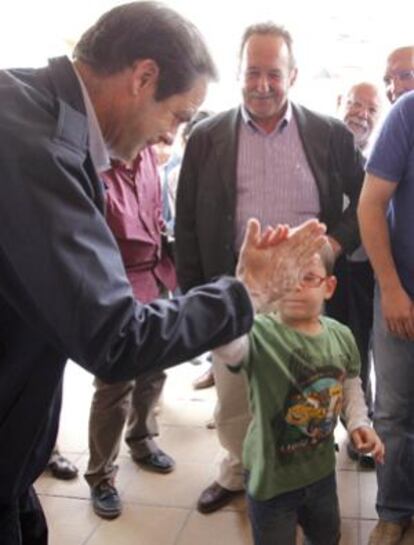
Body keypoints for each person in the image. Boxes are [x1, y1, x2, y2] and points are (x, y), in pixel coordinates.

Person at [0, 3, 327, 543]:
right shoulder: (32, 149)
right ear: (143, 77)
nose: (171, 139)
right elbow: (116, 337)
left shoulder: (33, 110)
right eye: (176, 115)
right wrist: (246, 293)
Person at [175, 22, 365, 514]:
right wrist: (195, 299)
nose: (263, 84)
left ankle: (305, 479)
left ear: (293, 75)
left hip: (306, 292)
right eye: (252, 73)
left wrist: (333, 248)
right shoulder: (206, 136)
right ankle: (237, 470)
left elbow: (365, 201)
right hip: (238, 289)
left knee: (302, 394)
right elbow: (189, 223)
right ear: (237, 74)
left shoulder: (328, 133)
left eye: (273, 74)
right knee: (235, 393)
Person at [213, 244, 384, 545]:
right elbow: (225, 346)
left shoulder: (340, 335)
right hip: (270, 482)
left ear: (329, 287)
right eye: (286, 276)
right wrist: (246, 291)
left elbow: (349, 382)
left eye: (308, 277)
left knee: (326, 536)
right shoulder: (259, 333)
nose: (295, 286)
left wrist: (359, 421)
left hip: (320, 474)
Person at [84, 146, 177, 520]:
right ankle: (101, 475)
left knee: (156, 368)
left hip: (156, 276)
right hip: (116, 284)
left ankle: (141, 436)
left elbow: (155, 214)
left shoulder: (150, 156)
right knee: (114, 383)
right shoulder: (93, 162)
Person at [358, 94, 414, 544]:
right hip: (402, 290)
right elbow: (371, 204)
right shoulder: (408, 113)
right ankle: (393, 510)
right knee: (393, 411)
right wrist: (392, 288)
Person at [336, 81, 383, 468]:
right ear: (339, 103)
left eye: (370, 109)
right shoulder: (321, 152)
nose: (361, 113)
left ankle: (358, 428)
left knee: (358, 347)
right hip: (324, 269)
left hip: (364, 271)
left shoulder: (380, 159)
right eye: (354, 103)